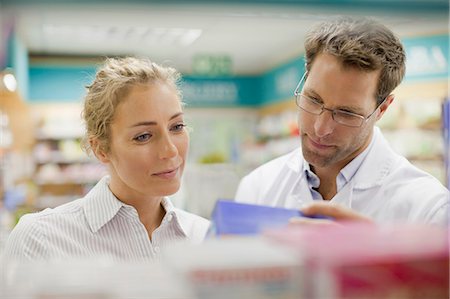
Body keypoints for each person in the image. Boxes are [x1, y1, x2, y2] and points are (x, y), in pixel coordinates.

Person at [235, 17, 449, 226]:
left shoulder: (429, 210)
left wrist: (378, 255)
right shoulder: (259, 187)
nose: (321, 128)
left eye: (346, 113)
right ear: (305, 78)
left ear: (382, 109)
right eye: (313, 99)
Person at [3, 57, 210, 261]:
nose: (170, 150)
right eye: (143, 136)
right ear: (101, 148)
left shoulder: (205, 238)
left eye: (177, 127)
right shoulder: (41, 241)